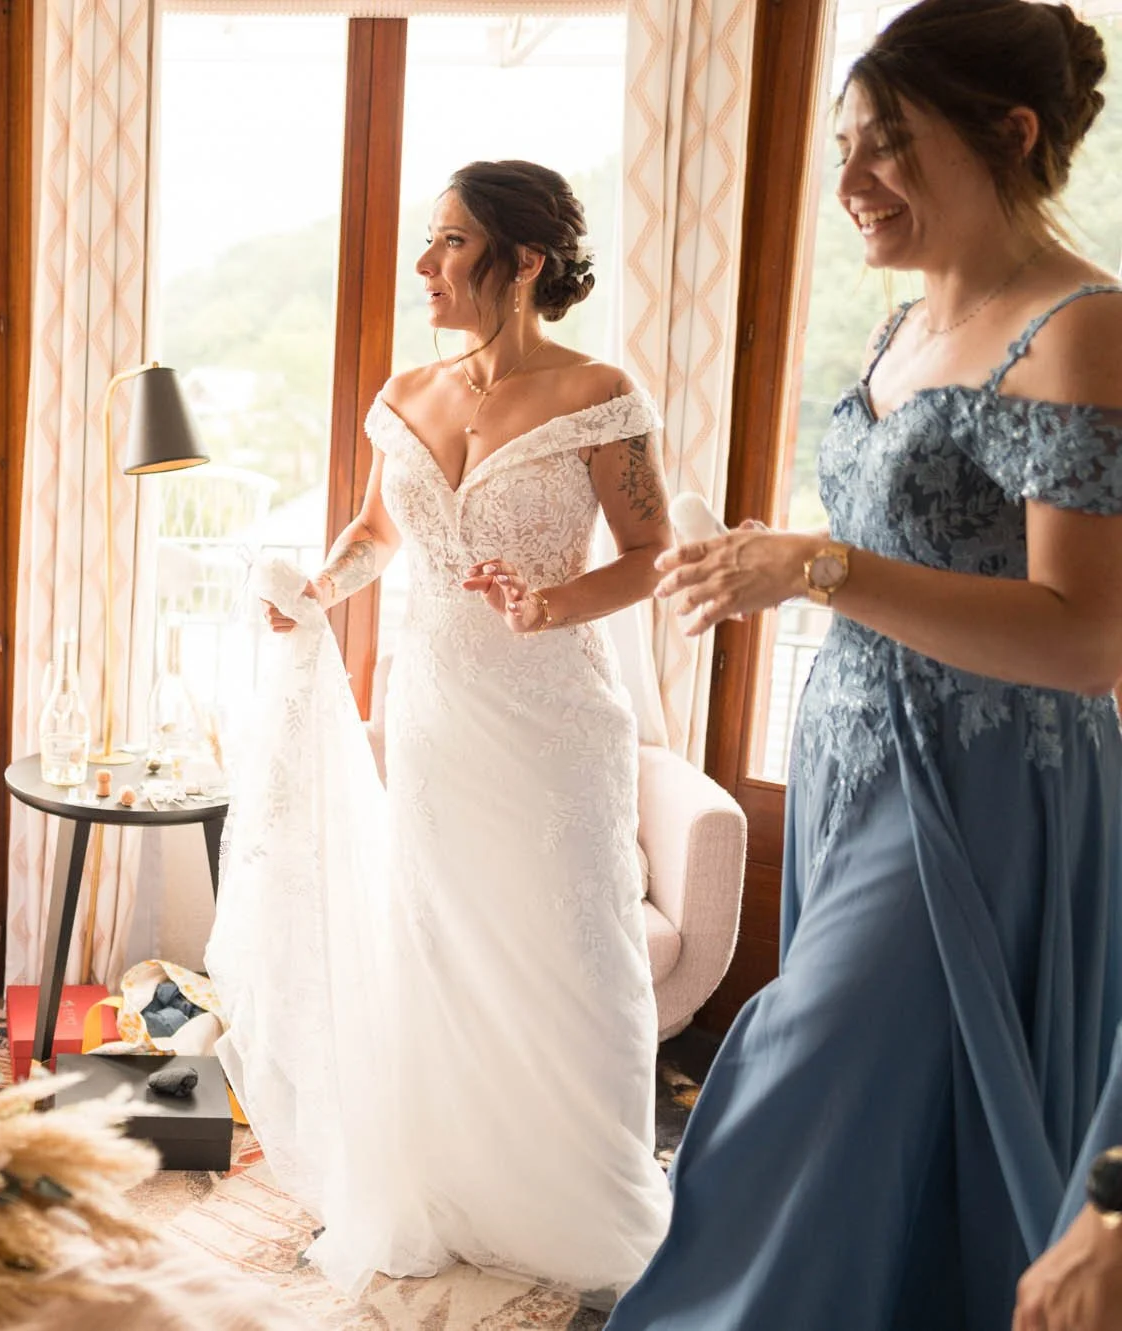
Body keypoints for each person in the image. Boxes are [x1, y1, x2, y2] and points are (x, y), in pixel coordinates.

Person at [606, 2, 1122, 1326]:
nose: (848, 184)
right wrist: (773, 561)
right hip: (854, 745)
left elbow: (1083, 633)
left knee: (804, 1070)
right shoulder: (899, 330)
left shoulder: (1080, 324)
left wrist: (816, 567)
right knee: (898, 1109)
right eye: (844, 147)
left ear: (1009, 134)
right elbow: (913, 539)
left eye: (887, 145)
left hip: (993, 779)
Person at [206, 159, 675, 1303]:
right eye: (426, 240)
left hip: (553, 724)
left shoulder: (597, 395)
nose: (423, 265)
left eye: (449, 244)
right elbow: (377, 529)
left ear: (522, 262)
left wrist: (549, 603)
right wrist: (319, 585)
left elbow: (650, 553)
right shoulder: (407, 390)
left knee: (561, 957)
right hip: (432, 719)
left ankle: (569, 1191)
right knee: (434, 947)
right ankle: (449, 1179)